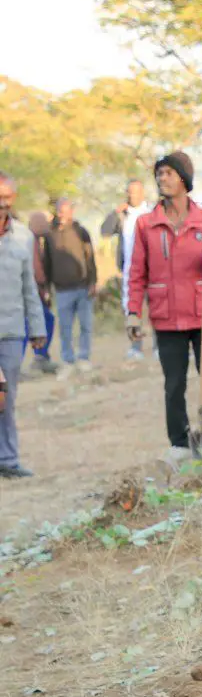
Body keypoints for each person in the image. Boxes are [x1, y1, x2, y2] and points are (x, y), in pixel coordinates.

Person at [126, 151, 202, 464]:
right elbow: (135, 272)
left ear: (184, 180)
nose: (162, 179)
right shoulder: (146, 224)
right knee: (173, 384)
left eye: (169, 173)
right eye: (159, 174)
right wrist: (133, 312)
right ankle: (179, 443)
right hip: (167, 317)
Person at [0, 171, 47, 478]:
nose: (1, 203)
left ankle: (8, 459)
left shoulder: (23, 236)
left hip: (11, 330)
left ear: (12, 199)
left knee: (6, 397)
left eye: (5, 197)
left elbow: (30, 287)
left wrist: (38, 327)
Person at [41, 198, 96, 376]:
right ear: (57, 212)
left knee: (85, 325)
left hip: (83, 286)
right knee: (65, 327)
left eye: (66, 210)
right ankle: (67, 359)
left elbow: (90, 258)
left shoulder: (82, 232)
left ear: (71, 211)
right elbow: (46, 263)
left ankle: (84, 358)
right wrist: (46, 288)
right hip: (62, 290)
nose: (63, 213)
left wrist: (93, 281)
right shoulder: (49, 235)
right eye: (60, 210)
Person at [102, 180, 154, 360]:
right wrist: (115, 212)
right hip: (131, 269)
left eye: (137, 192)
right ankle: (136, 347)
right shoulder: (122, 215)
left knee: (156, 307)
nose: (133, 196)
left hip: (153, 268)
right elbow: (105, 231)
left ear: (143, 193)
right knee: (133, 309)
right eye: (130, 192)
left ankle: (157, 346)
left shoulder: (152, 212)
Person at [25, 211, 56, 374]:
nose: (46, 226)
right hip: (31, 290)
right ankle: (38, 357)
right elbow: (36, 271)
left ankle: (41, 356)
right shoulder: (29, 241)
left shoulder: (40, 241)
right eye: (42, 223)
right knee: (37, 322)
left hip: (36, 290)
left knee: (45, 321)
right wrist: (43, 289)